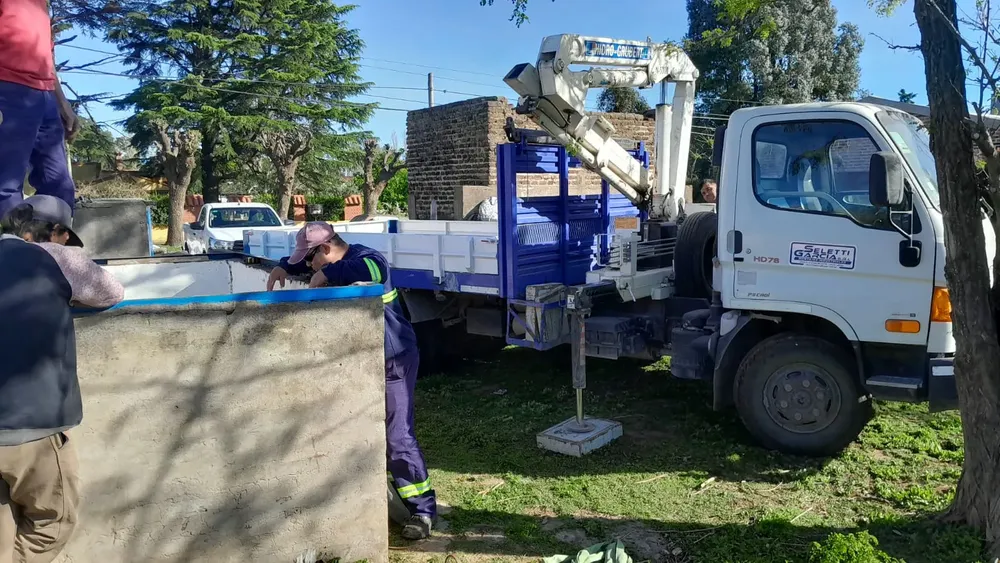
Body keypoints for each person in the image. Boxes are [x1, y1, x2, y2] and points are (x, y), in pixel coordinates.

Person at [266, 222, 438, 540]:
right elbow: (299, 265)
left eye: (311, 259)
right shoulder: (327, 261)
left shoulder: (367, 259)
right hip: (357, 363)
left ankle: (422, 511)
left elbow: (373, 268)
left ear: (327, 249)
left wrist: (327, 275)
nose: (307, 266)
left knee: (398, 437)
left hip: (392, 361)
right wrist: (282, 267)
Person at [0, 202, 125, 562]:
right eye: (66, 237)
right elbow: (112, 293)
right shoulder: (55, 257)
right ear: (57, 233)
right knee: (52, 524)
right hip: (32, 429)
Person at [0, 0, 80, 219]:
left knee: (60, 187)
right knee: (6, 187)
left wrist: (63, 104)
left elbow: (47, 55)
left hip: (45, 97)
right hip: (8, 88)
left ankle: (57, 253)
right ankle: (11, 252)